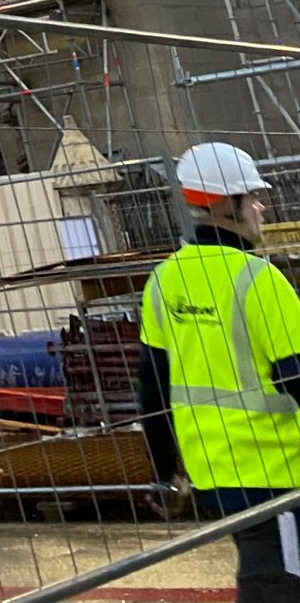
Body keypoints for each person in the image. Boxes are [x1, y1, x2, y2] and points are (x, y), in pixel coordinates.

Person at [139, 144, 300, 601]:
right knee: (277, 581)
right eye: (252, 196)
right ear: (226, 206)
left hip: (214, 478)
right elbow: (297, 377)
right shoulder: (262, 281)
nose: (260, 207)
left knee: (269, 566)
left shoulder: (163, 281)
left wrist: (164, 471)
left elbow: (151, 388)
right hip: (280, 473)